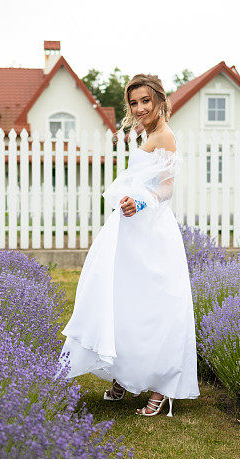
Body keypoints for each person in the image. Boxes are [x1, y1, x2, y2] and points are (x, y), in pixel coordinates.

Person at [60, 74, 199, 417]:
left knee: (152, 303)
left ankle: (160, 386)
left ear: (159, 101)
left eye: (145, 101)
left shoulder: (164, 136)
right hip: (130, 229)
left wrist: (140, 203)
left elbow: (166, 188)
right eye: (134, 102)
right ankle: (125, 372)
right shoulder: (147, 133)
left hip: (151, 229)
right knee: (123, 298)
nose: (138, 108)